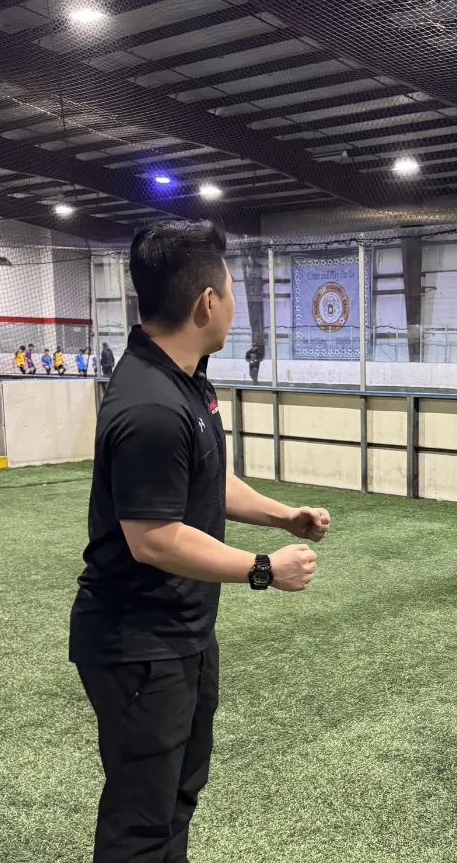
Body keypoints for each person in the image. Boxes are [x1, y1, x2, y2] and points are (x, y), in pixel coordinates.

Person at [70, 221, 330, 863]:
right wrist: (263, 568)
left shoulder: (184, 378)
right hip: (139, 648)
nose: (235, 301)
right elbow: (153, 538)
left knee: (177, 798)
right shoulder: (151, 406)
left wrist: (281, 517)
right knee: (141, 822)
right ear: (205, 303)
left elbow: (207, 477)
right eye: (232, 289)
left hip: (181, 635)